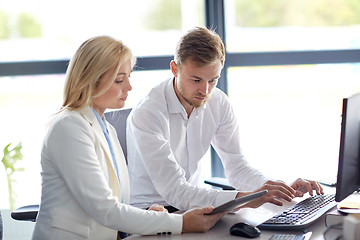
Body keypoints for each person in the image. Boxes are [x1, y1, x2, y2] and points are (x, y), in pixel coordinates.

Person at [31, 36, 226, 240]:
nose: (129, 87)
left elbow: (117, 205)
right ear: (90, 79)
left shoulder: (107, 129)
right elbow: (105, 210)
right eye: (119, 80)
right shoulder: (69, 127)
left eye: (129, 77)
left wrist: (150, 215)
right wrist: (182, 222)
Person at [126, 26, 324, 212]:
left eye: (213, 80)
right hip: (151, 214)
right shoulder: (148, 113)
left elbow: (237, 167)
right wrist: (245, 198)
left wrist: (279, 191)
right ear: (175, 69)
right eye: (196, 80)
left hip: (195, 208)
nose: (205, 91)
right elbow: (175, 191)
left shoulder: (218, 101)